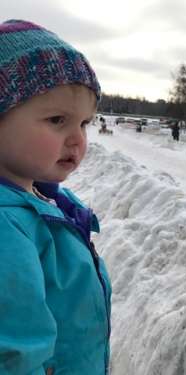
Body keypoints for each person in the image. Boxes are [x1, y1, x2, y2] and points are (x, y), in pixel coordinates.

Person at [0, 20, 111, 374]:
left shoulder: (46, 200)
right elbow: (14, 358)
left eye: (84, 123)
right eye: (57, 119)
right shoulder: (6, 227)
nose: (78, 139)